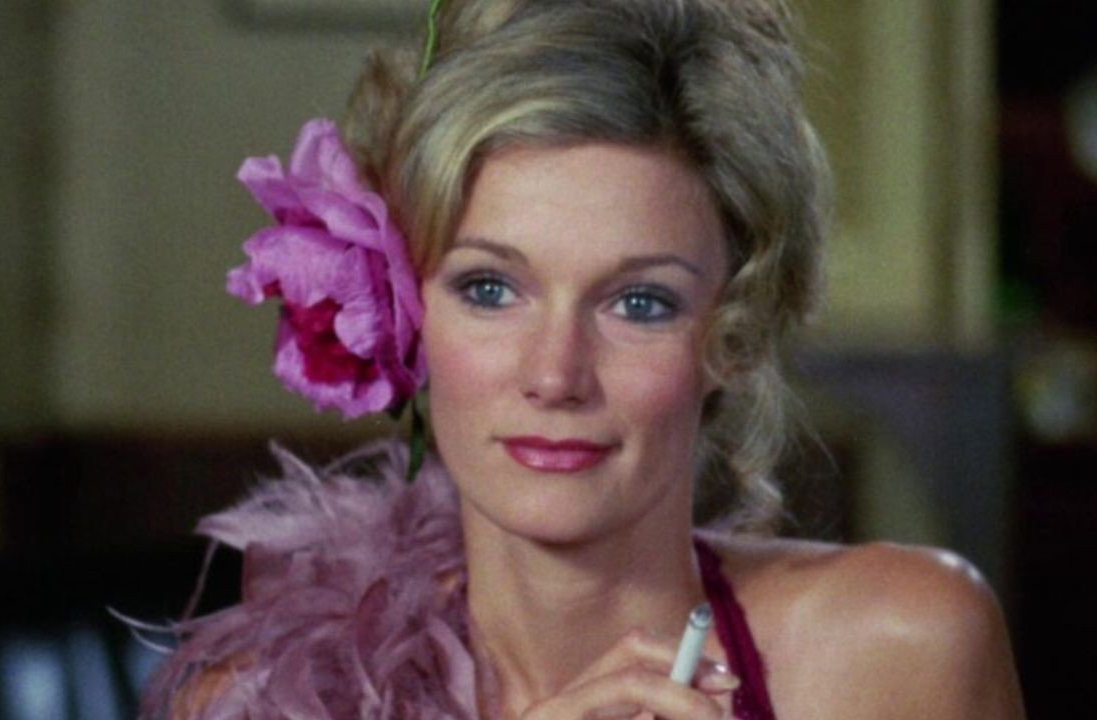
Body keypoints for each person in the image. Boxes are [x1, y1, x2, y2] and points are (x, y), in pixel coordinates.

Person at [137, 1, 1026, 718]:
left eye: (639, 303)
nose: (556, 374)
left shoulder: (897, 650)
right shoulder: (259, 704)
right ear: (404, 310)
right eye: (490, 288)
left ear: (735, 335)